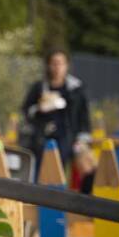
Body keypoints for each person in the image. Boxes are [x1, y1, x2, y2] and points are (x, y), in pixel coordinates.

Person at [21, 49, 94, 192]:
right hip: (42, 141)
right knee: (44, 177)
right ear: (48, 65)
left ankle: (84, 201)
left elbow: (84, 117)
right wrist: (39, 108)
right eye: (54, 63)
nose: (57, 67)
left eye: (60, 63)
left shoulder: (76, 89)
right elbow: (26, 111)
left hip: (71, 140)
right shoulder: (39, 88)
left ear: (67, 65)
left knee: (89, 168)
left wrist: (82, 140)